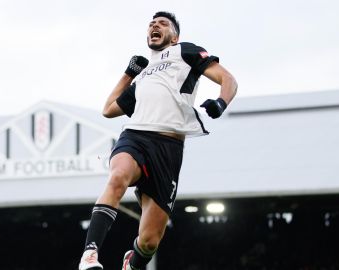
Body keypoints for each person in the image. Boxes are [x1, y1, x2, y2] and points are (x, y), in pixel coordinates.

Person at [78, 11, 238, 270]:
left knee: (150, 241)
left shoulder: (185, 52)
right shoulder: (143, 77)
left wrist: (221, 102)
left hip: (169, 149)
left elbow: (228, 79)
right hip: (135, 136)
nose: (155, 25)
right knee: (117, 176)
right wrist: (129, 74)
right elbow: (108, 109)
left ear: (174, 37)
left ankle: (132, 262)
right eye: (151, 23)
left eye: (162, 23)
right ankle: (90, 255)